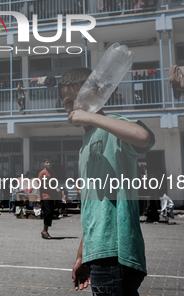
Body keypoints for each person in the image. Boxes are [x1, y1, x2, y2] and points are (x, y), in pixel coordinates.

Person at [59, 67, 155, 295]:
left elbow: (143, 137)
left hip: (116, 253)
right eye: (68, 102)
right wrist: (83, 255)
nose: (75, 106)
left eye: (80, 97)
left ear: (99, 93)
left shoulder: (112, 127)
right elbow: (94, 207)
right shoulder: (85, 144)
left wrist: (91, 116)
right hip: (99, 253)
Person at [37, 158, 60, 239]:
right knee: (48, 212)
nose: (49, 164)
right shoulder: (42, 173)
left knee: (50, 213)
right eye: (47, 162)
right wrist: (39, 198)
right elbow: (38, 185)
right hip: (45, 196)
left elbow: (54, 184)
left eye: (50, 162)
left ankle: (45, 230)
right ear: (44, 163)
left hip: (52, 196)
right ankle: (44, 231)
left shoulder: (53, 173)